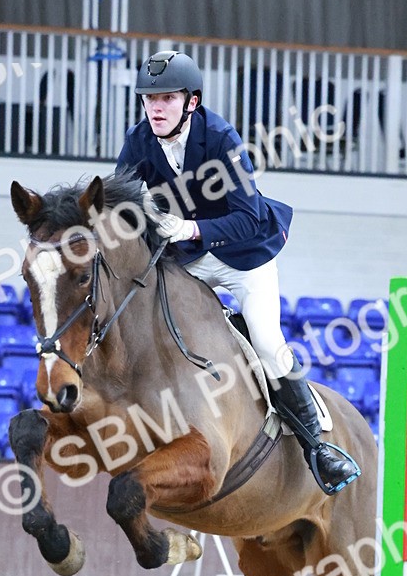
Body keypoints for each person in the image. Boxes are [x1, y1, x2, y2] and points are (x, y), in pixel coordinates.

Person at [116, 49, 359, 494]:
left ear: (191, 102)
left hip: (245, 257)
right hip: (189, 262)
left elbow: (247, 218)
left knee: (267, 343)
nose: (155, 107)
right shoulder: (139, 140)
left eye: (167, 98)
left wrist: (188, 226)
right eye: (149, 98)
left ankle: (317, 449)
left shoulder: (222, 139)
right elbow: (120, 204)